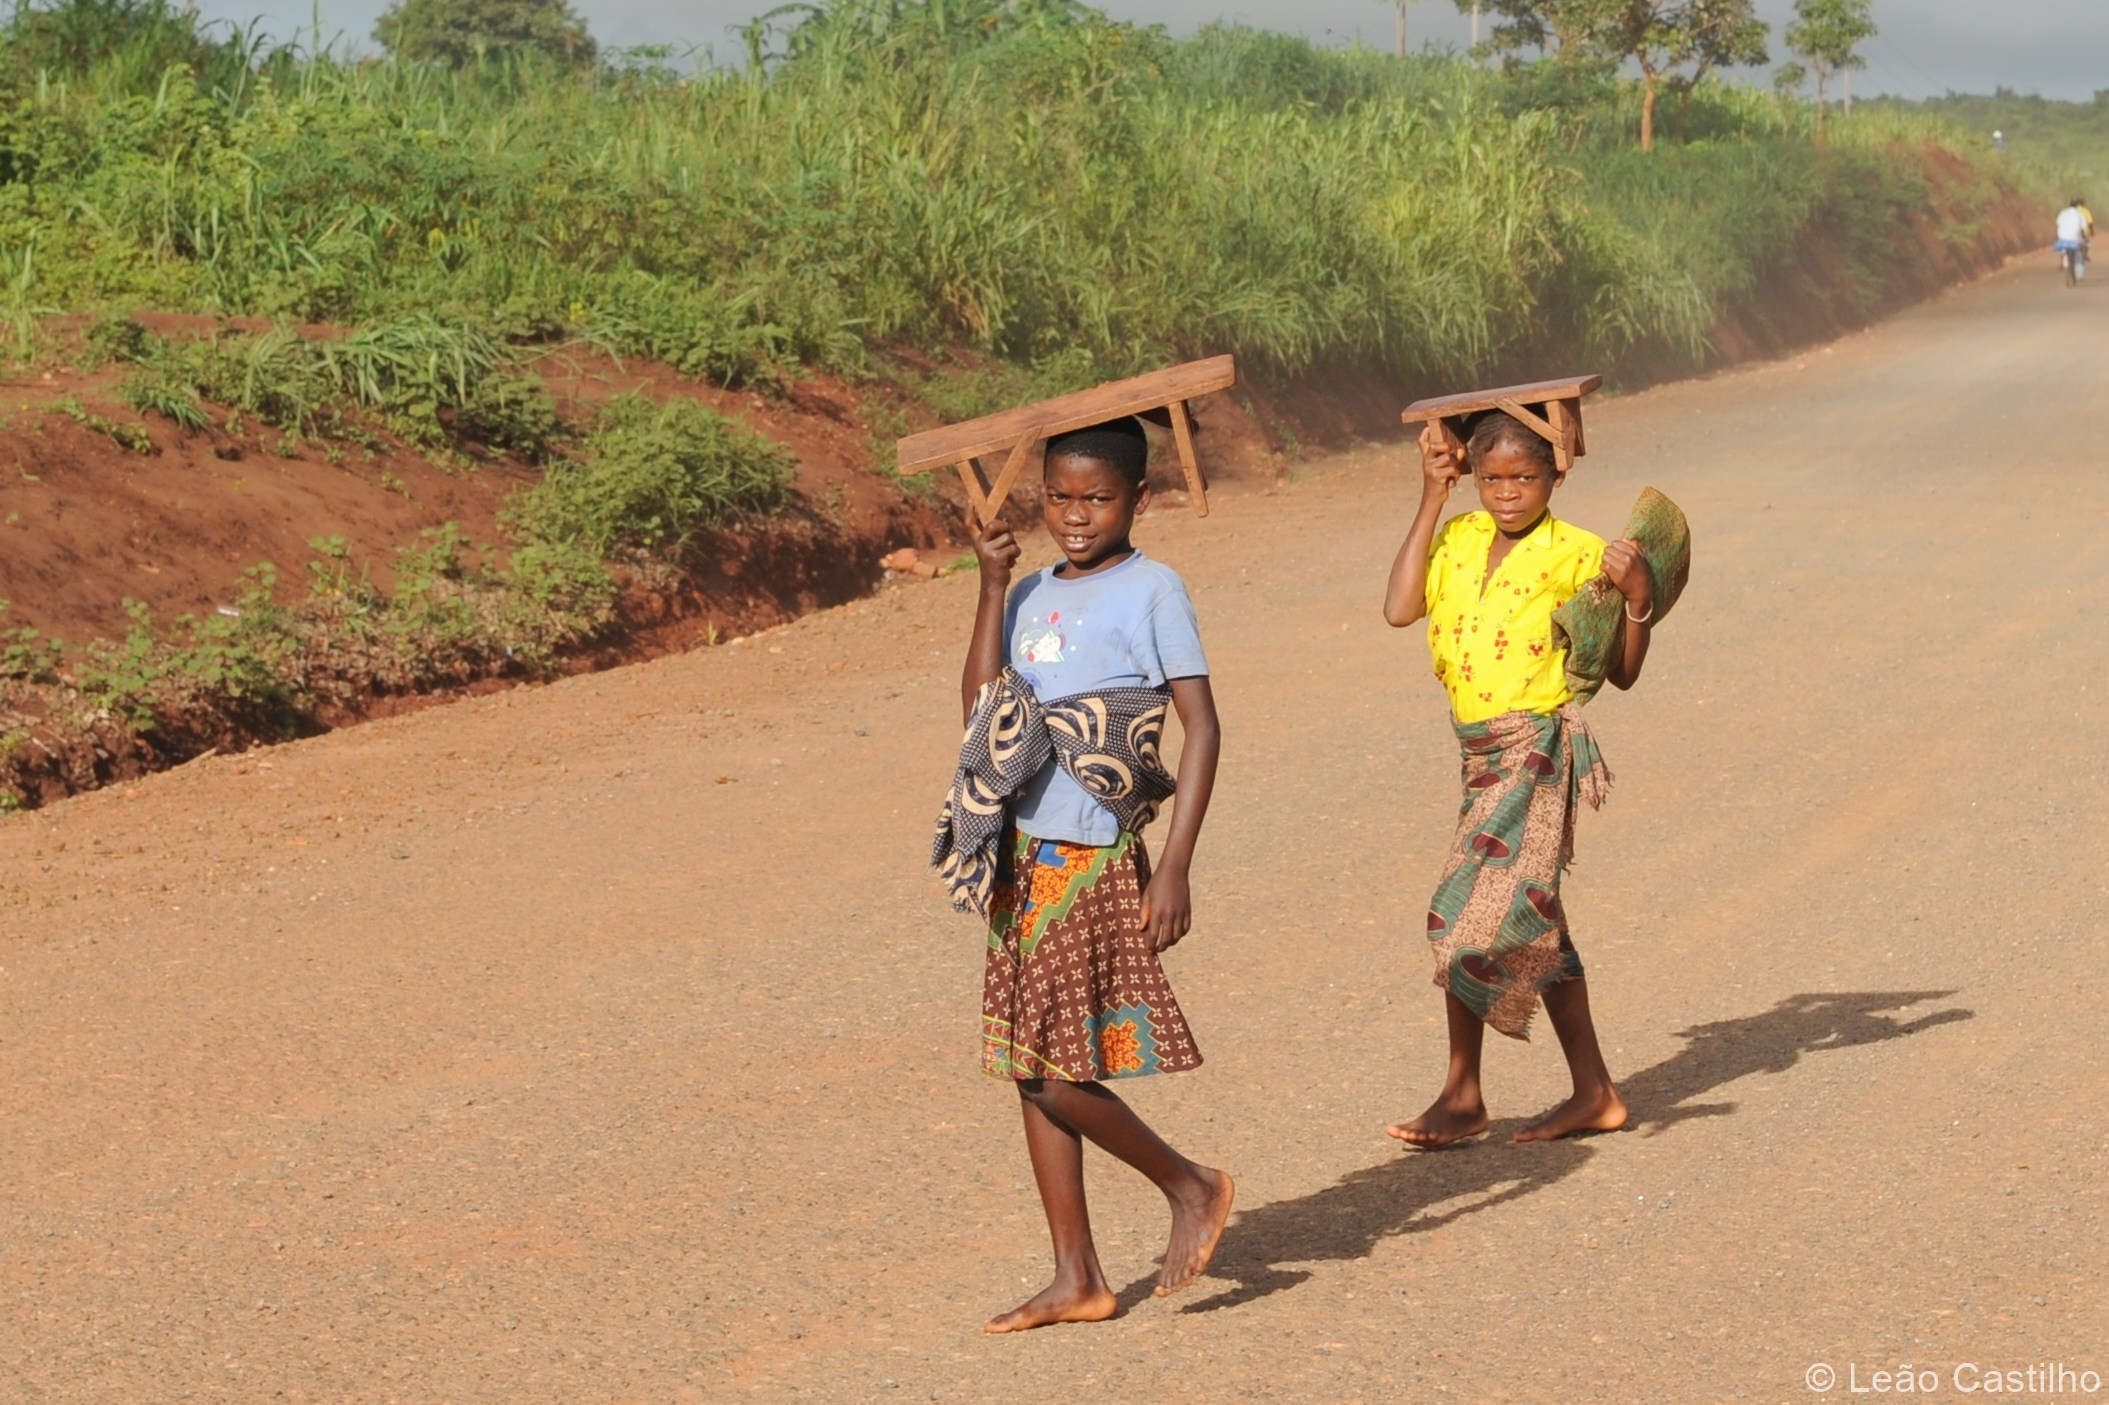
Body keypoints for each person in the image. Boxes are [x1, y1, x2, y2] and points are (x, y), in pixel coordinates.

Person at [938, 416, 1233, 1333]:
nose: (1074, 514)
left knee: (1056, 1070)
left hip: (1095, 860)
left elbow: (1203, 727)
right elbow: (981, 712)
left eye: (1096, 497)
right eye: (1058, 497)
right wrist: (991, 585)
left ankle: (1189, 1183)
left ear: (1137, 498)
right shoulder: (1026, 591)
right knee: (1029, 1067)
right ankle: (1078, 1275)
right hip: (1021, 861)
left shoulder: (1153, 591)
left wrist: (1174, 864)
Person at [1379, 410, 1654, 1147]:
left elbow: (1619, 671)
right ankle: (1591, 1092)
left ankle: (1462, 1092)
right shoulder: (1459, 536)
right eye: (1490, 478)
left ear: (1555, 476)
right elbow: (1399, 607)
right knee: (1529, 918)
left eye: (1524, 477)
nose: (1506, 493)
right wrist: (1431, 495)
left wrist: (1635, 598)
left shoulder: (1578, 552)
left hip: (1532, 749)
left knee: (1457, 915)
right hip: (1477, 753)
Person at [2055, 197, 2089, 281]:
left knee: (2064, 250)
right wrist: (2084, 237)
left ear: (2068, 206)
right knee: (2079, 255)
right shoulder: (2080, 214)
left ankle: (2064, 261)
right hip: (2075, 238)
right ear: (2077, 206)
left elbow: (2058, 225)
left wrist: (2057, 237)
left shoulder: (2062, 213)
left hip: (2063, 237)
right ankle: (2079, 275)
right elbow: (2084, 228)